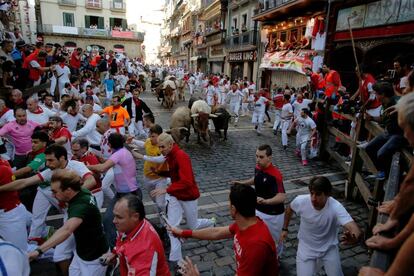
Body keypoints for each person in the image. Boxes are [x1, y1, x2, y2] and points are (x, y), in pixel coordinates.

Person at [0, 144, 97, 275]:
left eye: (51, 160)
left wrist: (73, 197)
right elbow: (24, 182)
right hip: (69, 212)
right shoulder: (50, 172)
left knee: (84, 250)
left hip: (83, 211)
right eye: (46, 160)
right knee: (61, 255)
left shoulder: (76, 166)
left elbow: (91, 181)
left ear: (62, 158)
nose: (47, 163)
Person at [171, 184, 279, 275]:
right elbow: (217, 232)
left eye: (229, 203)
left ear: (233, 209)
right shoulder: (246, 223)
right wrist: (183, 233)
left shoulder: (255, 245)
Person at [147, 133, 215, 265]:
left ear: (171, 145)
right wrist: (159, 173)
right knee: (172, 227)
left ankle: (210, 222)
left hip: (188, 196)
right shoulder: (170, 155)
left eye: (162, 147)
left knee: (193, 225)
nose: (160, 150)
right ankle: (177, 261)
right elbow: (174, 174)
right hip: (175, 195)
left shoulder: (181, 156)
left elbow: (187, 182)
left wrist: (166, 189)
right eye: (159, 147)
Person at [28, 169, 109, 276]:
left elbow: (67, 230)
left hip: (94, 259)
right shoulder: (82, 192)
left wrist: (38, 251)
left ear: (68, 191)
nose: (52, 195)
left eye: (55, 192)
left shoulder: (80, 207)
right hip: (82, 253)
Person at [280, 176, 361, 276]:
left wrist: (355, 237)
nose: (313, 198)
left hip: (329, 249)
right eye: (311, 193)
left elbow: (353, 227)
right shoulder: (301, 201)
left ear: (327, 194)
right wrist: (284, 228)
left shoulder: (336, 207)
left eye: (318, 194)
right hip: (306, 248)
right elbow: (289, 209)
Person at [87, 132, 141, 249]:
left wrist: (87, 167)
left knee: (132, 222)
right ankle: (114, 248)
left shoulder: (119, 154)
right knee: (110, 219)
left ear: (109, 145)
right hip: (123, 193)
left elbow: (102, 168)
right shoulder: (122, 152)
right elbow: (107, 164)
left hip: (129, 194)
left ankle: (117, 247)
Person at [231, 144, 286, 252]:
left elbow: (282, 196)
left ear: (269, 158)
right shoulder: (258, 168)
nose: (257, 160)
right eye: (256, 156)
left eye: (261, 157)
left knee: (273, 241)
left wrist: (266, 201)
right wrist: (242, 183)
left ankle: (277, 256)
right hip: (258, 210)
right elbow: (256, 179)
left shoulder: (276, 175)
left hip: (273, 215)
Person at [100, 195, 170, 276]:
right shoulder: (133, 225)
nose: (114, 221)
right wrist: (115, 253)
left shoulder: (144, 250)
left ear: (135, 216)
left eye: (119, 217)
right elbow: (123, 240)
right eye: (114, 216)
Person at [128, 125, 170, 224]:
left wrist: (142, 156)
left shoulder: (163, 147)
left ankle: (164, 221)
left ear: (160, 136)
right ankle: (165, 206)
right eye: (150, 136)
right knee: (154, 199)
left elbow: (160, 159)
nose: (151, 138)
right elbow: (143, 144)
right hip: (147, 177)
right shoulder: (148, 141)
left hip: (160, 178)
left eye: (153, 136)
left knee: (159, 203)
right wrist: (133, 141)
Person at [71, 139, 104, 208]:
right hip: (82, 194)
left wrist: (84, 173)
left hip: (94, 193)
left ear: (84, 149)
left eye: (76, 150)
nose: (73, 153)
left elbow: (99, 176)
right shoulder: (73, 158)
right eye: (72, 150)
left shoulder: (90, 157)